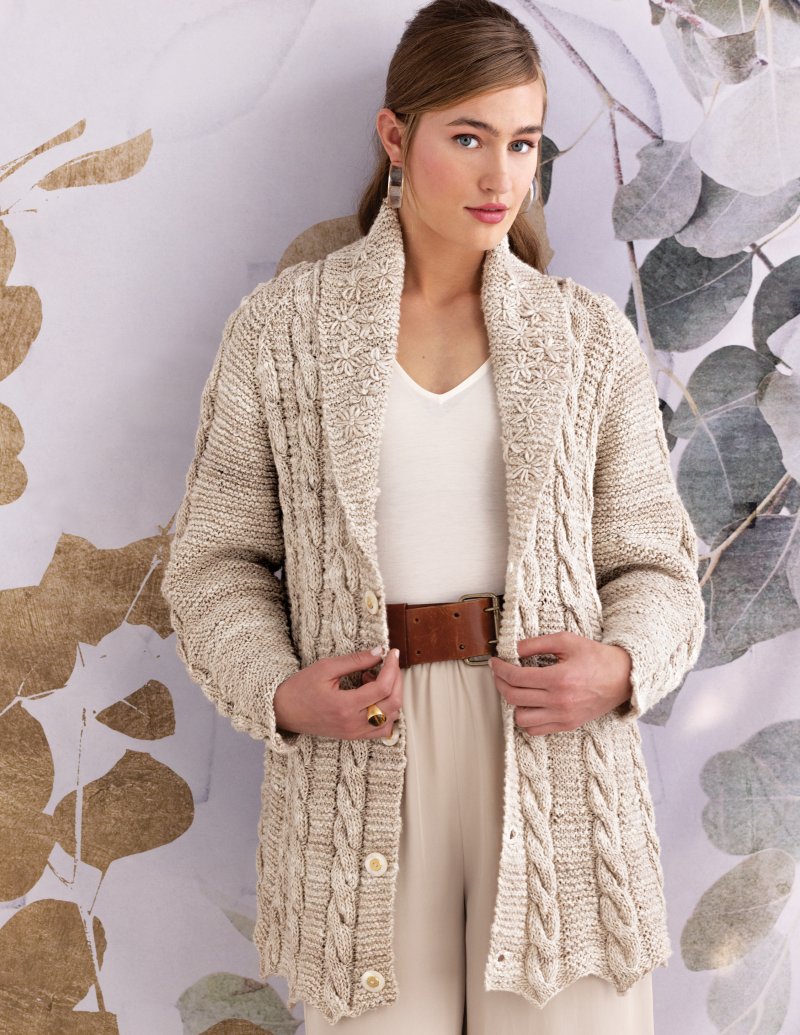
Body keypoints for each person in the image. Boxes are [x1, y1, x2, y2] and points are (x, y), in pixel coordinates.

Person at [161, 0, 706, 1032]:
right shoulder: (283, 331)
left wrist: (622, 665)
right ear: (395, 136)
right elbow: (214, 561)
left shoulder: (586, 338)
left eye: (523, 142)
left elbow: (657, 565)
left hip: (553, 757)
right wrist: (279, 691)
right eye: (467, 138)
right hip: (362, 754)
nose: (501, 175)